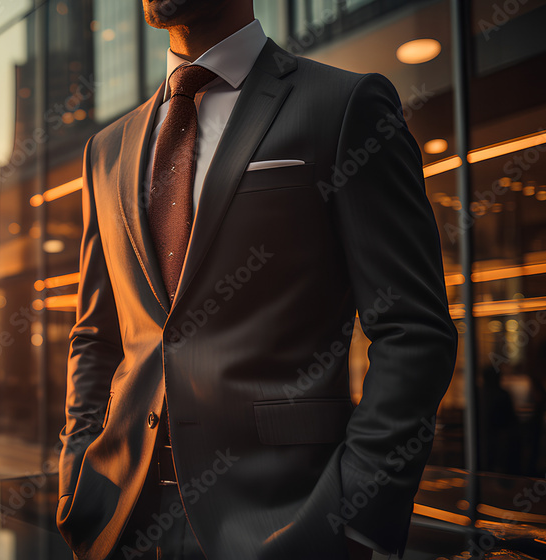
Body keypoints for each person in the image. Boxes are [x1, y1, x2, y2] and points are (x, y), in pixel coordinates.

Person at [55, 1, 458, 559]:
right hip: (119, 524)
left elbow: (413, 330)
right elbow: (97, 337)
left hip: (287, 524)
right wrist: (77, 473)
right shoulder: (106, 150)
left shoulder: (344, 106)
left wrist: (356, 517)